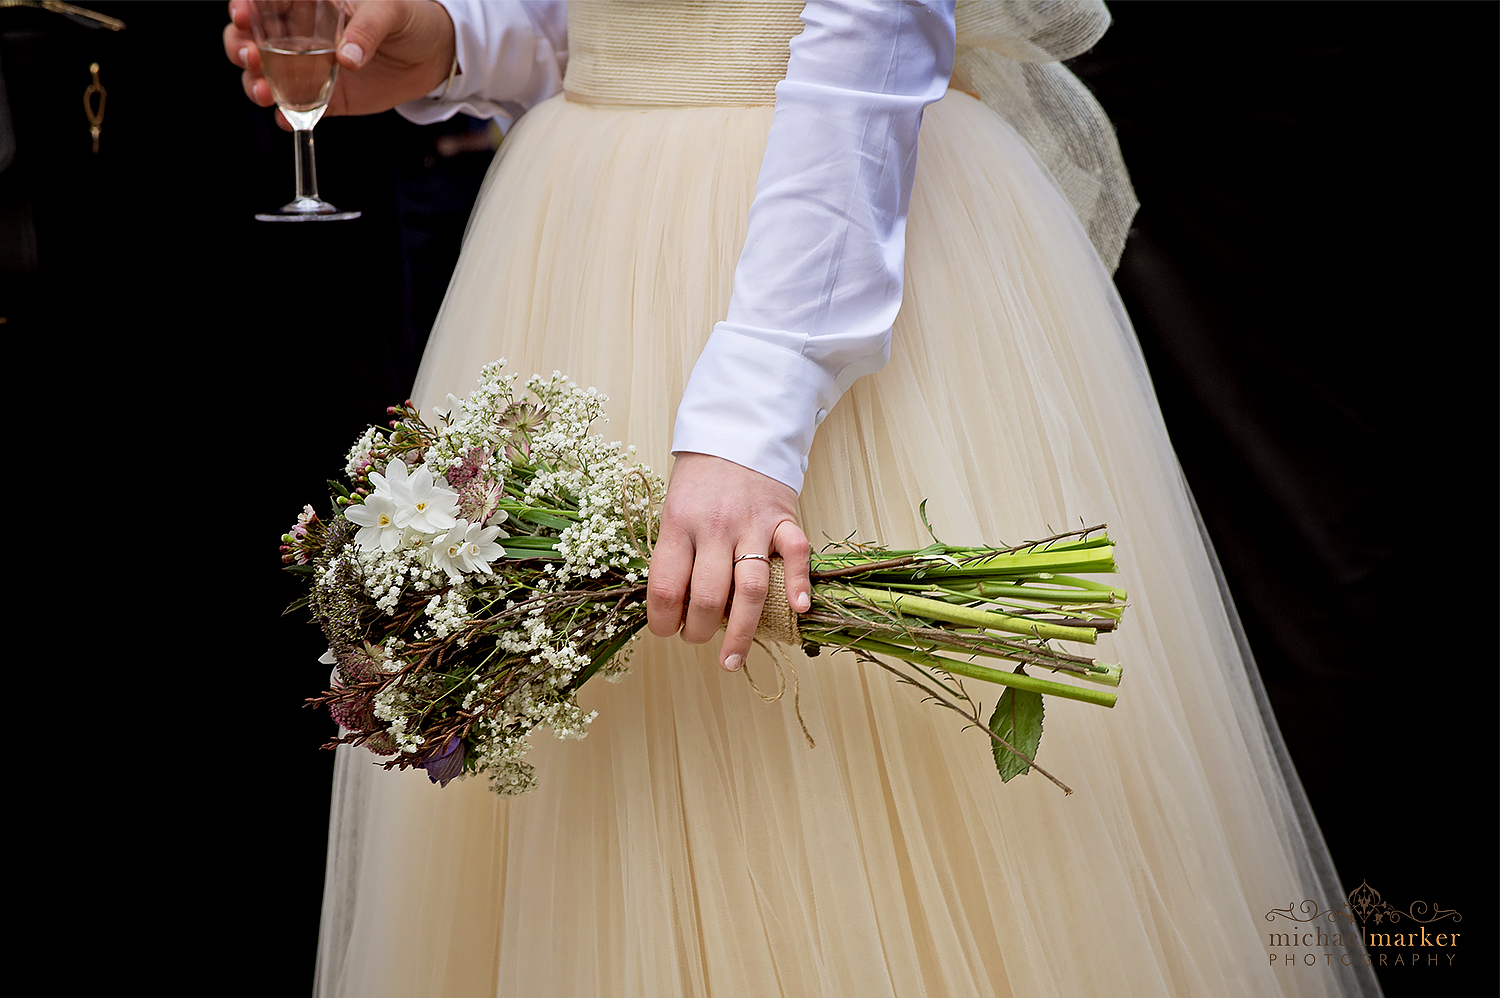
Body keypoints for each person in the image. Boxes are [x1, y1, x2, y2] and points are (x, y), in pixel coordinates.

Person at [230, 3, 1382, 995]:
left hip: (816, 232)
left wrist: (759, 403)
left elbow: (871, 23)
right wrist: (451, 37)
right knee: (596, 854)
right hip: (577, 235)